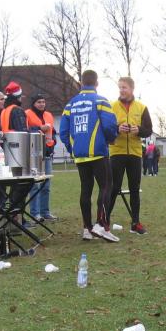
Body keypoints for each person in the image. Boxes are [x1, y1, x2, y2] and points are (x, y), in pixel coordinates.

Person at [58, 69, 120, 242]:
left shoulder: (70, 105)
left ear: (81, 83)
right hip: (98, 152)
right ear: (97, 83)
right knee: (106, 186)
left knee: (86, 189)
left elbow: (63, 132)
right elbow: (109, 126)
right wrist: (110, 139)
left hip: (80, 155)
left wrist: (73, 149)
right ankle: (101, 225)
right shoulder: (101, 101)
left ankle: (87, 229)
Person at [107, 77, 153, 235]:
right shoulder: (111, 106)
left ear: (132, 89)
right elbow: (105, 128)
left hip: (135, 153)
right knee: (114, 188)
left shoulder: (142, 107)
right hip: (117, 152)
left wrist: (138, 130)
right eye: (120, 87)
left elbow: (149, 130)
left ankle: (135, 223)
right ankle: (105, 222)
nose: (121, 90)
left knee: (134, 189)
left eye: (124, 87)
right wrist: (117, 129)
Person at [25, 93, 58, 222]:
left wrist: (53, 141)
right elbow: (25, 130)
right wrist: (39, 128)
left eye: (43, 102)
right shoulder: (27, 114)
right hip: (34, 154)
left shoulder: (49, 115)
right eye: (39, 102)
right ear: (33, 103)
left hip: (47, 153)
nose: (41, 104)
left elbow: (53, 131)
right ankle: (35, 213)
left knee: (46, 185)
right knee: (35, 185)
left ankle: (45, 212)